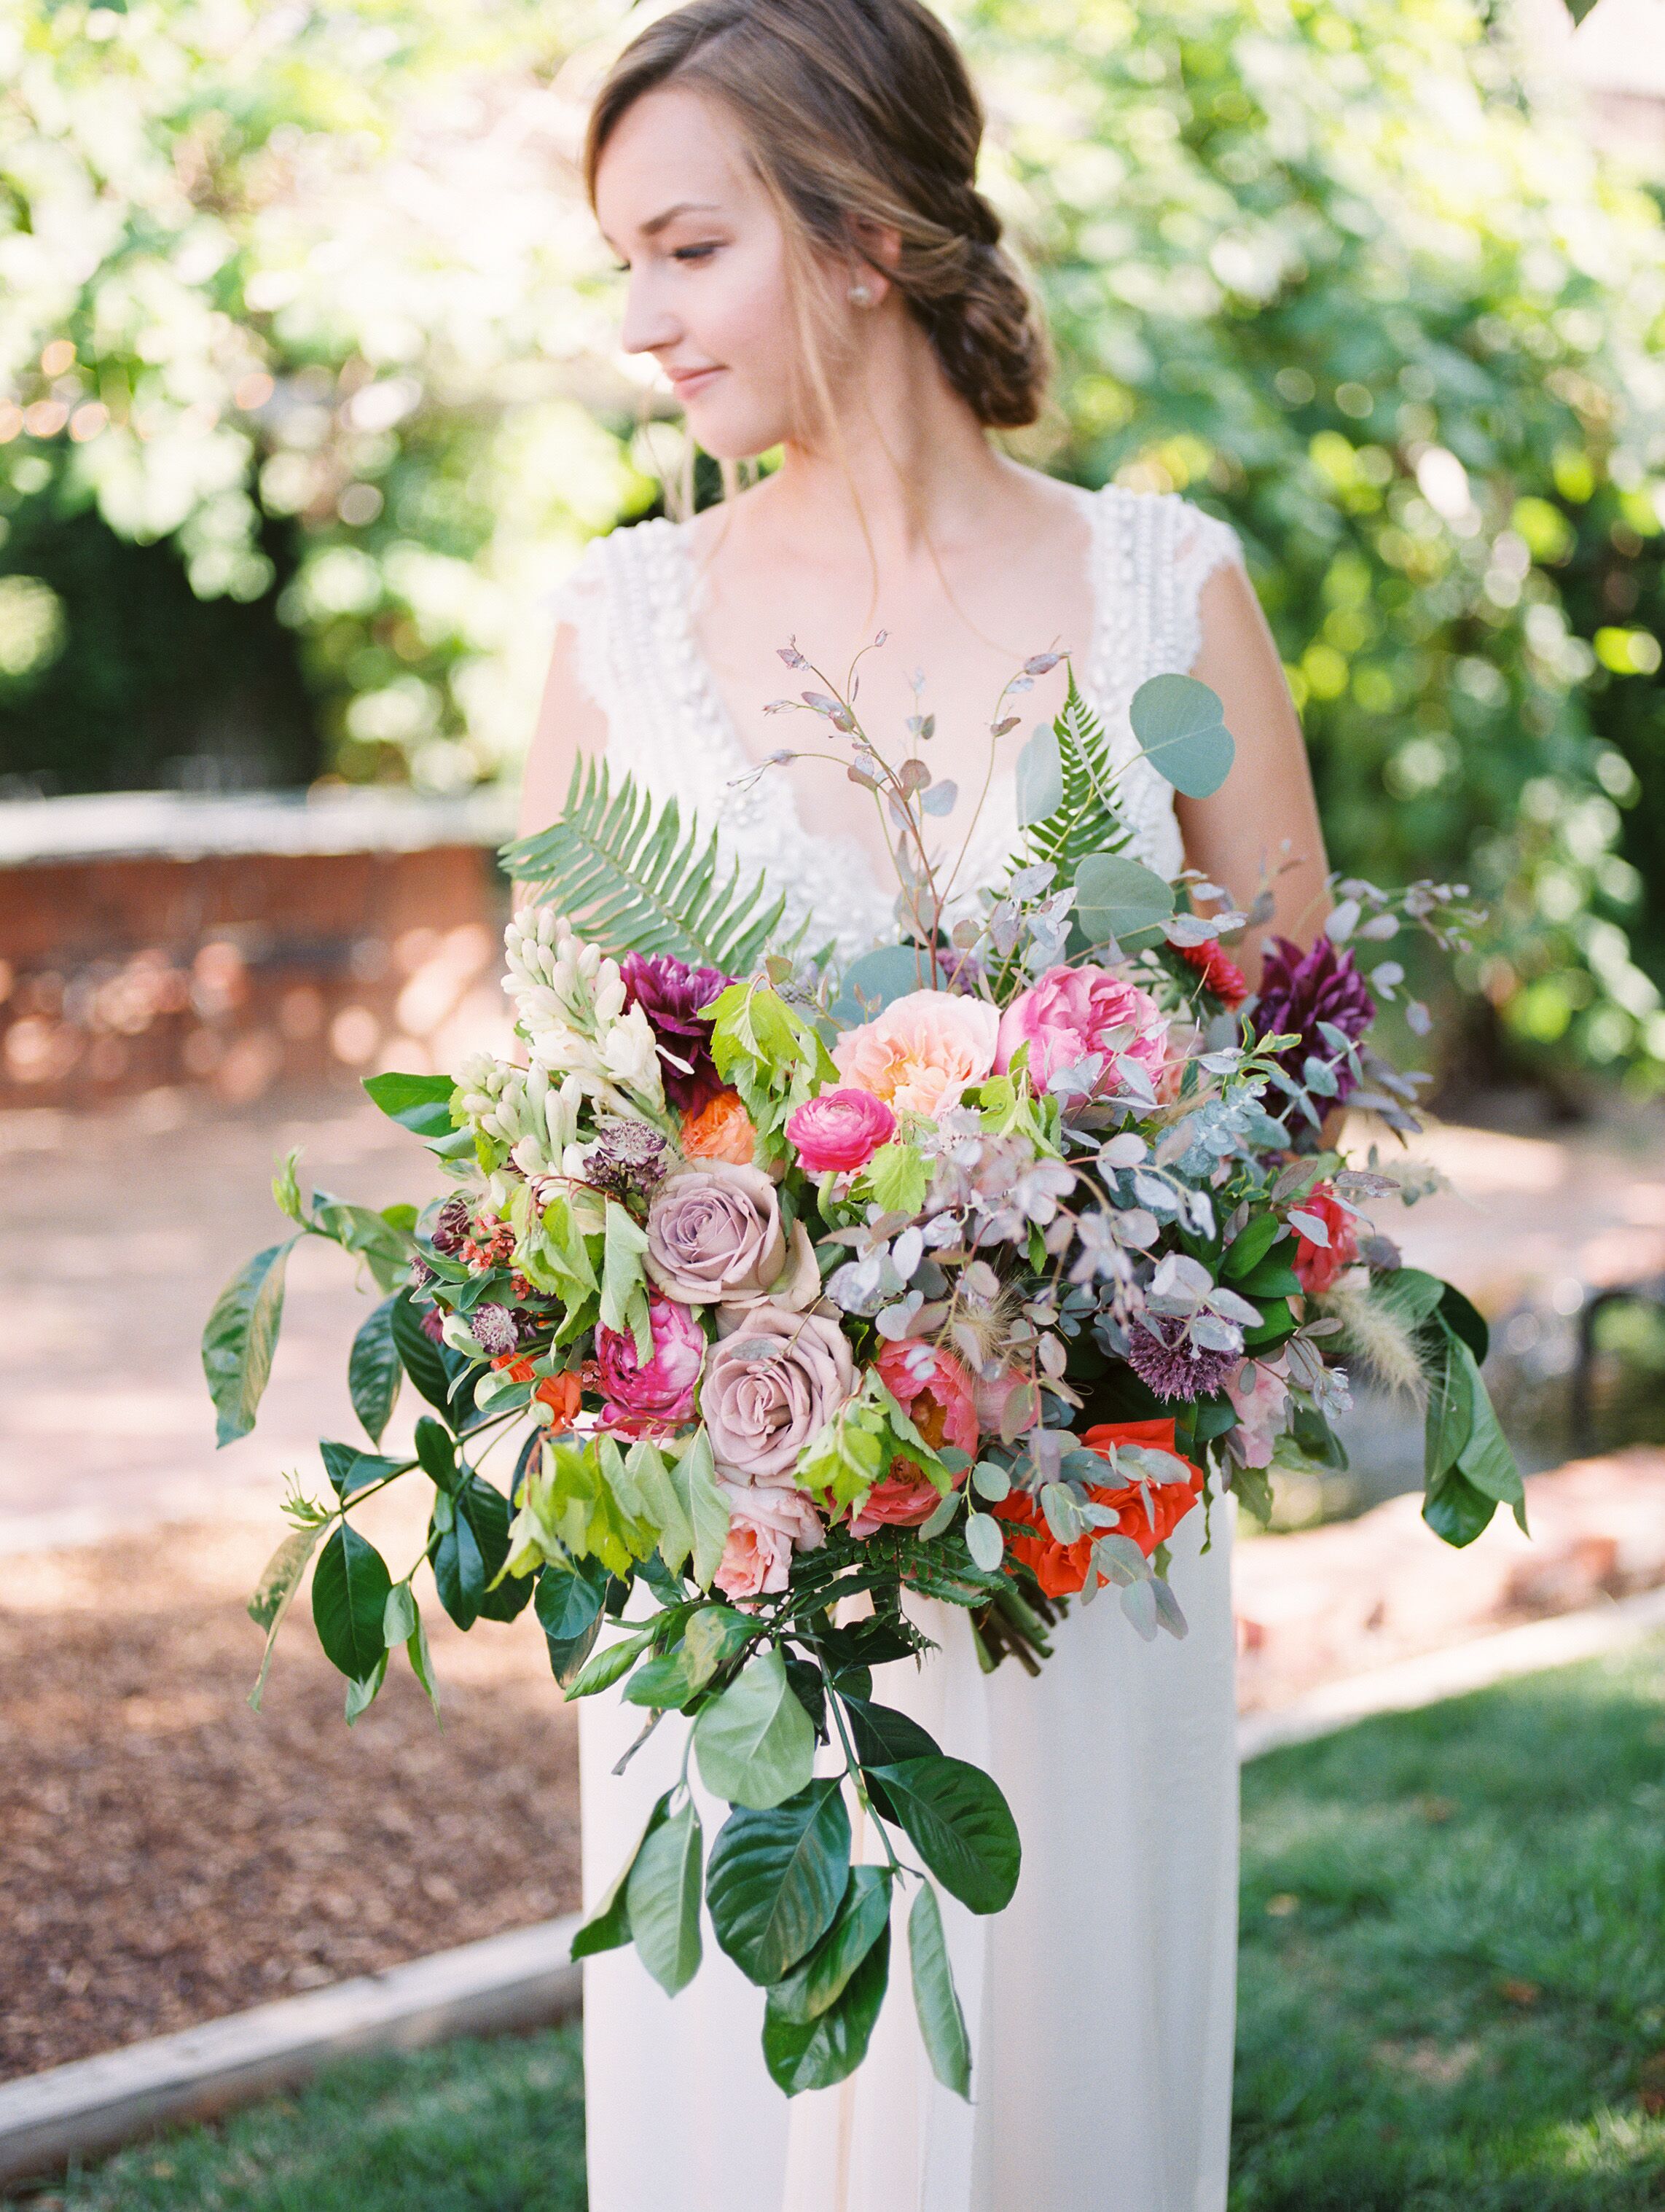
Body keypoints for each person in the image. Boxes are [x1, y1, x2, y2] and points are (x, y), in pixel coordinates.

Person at [516, 3, 1329, 2205]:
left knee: (1058, 2091)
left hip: (1078, 1552)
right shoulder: (621, 620)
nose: (638, 322)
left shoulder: (1166, 588)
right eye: (625, 262)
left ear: (862, 233)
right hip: (756, 1570)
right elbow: (558, 1119)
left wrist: (1056, 1282)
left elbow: (1299, 1077)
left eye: (689, 252)